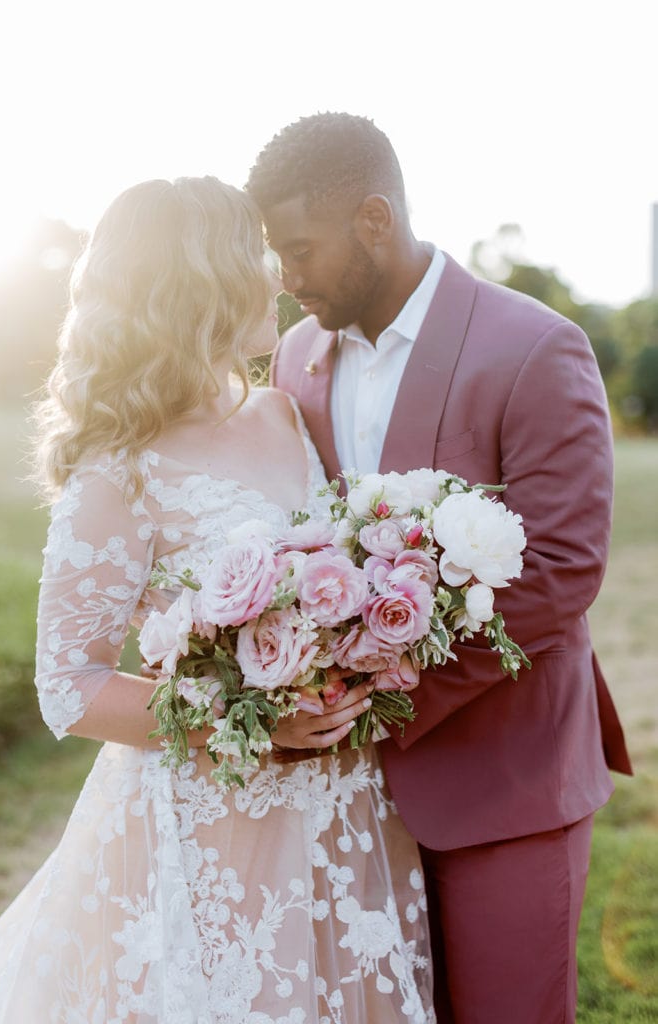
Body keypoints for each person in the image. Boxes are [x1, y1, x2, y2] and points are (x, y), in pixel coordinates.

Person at [0, 177, 436, 1024]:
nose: (276, 277)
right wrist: (251, 724)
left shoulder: (284, 414)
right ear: (203, 282)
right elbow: (67, 685)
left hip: (342, 806)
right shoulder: (117, 468)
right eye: (254, 257)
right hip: (212, 820)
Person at [246, 112, 633, 1024]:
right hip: (343, 807)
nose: (287, 278)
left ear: (374, 220)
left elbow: (561, 570)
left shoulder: (533, 347)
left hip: (505, 779)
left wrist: (373, 702)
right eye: (276, 255)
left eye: (300, 250)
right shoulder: (295, 357)